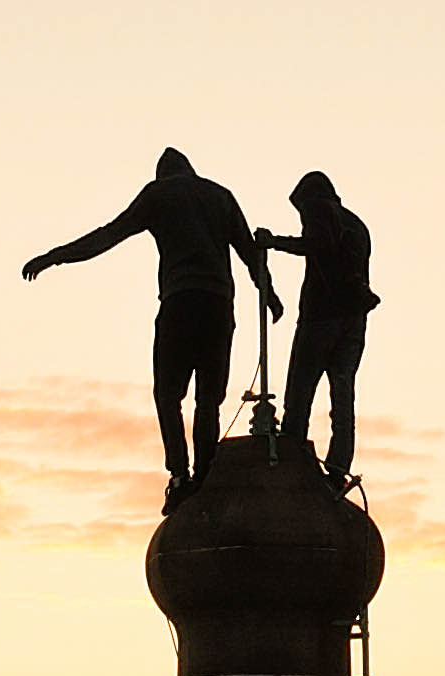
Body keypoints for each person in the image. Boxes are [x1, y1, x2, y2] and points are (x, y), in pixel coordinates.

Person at [21, 150, 270, 492]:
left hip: (180, 303)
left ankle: (180, 476)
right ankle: (206, 473)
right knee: (208, 399)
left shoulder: (159, 194)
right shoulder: (220, 195)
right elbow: (249, 252)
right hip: (218, 305)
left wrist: (57, 256)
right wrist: (269, 293)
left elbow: (108, 235)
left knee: (168, 395)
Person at [258, 171, 379, 485]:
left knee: (299, 391)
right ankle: (338, 469)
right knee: (343, 394)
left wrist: (274, 243)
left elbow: (318, 244)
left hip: (321, 318)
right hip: (354, 321)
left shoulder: (319, 209)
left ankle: (291, 456)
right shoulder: (358, 225)